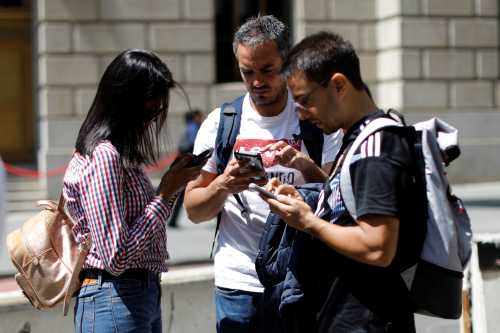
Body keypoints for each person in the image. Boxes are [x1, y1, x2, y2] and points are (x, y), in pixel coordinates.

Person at [183, 16, 342, 333]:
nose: (256, 81)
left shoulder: (314, 121)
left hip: (300, 277)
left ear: (287, 63)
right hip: (237, 283)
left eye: (267, 70)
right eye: (247, 72)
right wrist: (223, 185)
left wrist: (305, 170)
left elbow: (339, 199)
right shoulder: (221, 123)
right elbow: (194, 209)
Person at [261, 31, 424, 332]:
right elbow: (348, 214)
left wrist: (309, 222)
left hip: (366, 320)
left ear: (338, 85)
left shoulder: (375, 149)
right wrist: (307, 203)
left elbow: (377, 247)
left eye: (305, 101)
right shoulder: (356, 140)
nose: (301, 115)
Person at [63, 49, 203, 333]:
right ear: (125, 102)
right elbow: (117, 257)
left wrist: (172, 185)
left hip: (134, 295)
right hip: (114, 297)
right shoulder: (105, 156)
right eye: (150, 110)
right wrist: (164, 195)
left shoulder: (119, 155)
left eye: (158, 111)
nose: (153, 120)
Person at [168, 109, 205, 227]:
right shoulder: (194, 127)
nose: (202, 118)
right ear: (195, 117)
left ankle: (173, 220)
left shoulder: (190, 127)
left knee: (181, 193)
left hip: (186, 164)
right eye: (200, 116)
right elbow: (194, 144)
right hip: (190, 165)